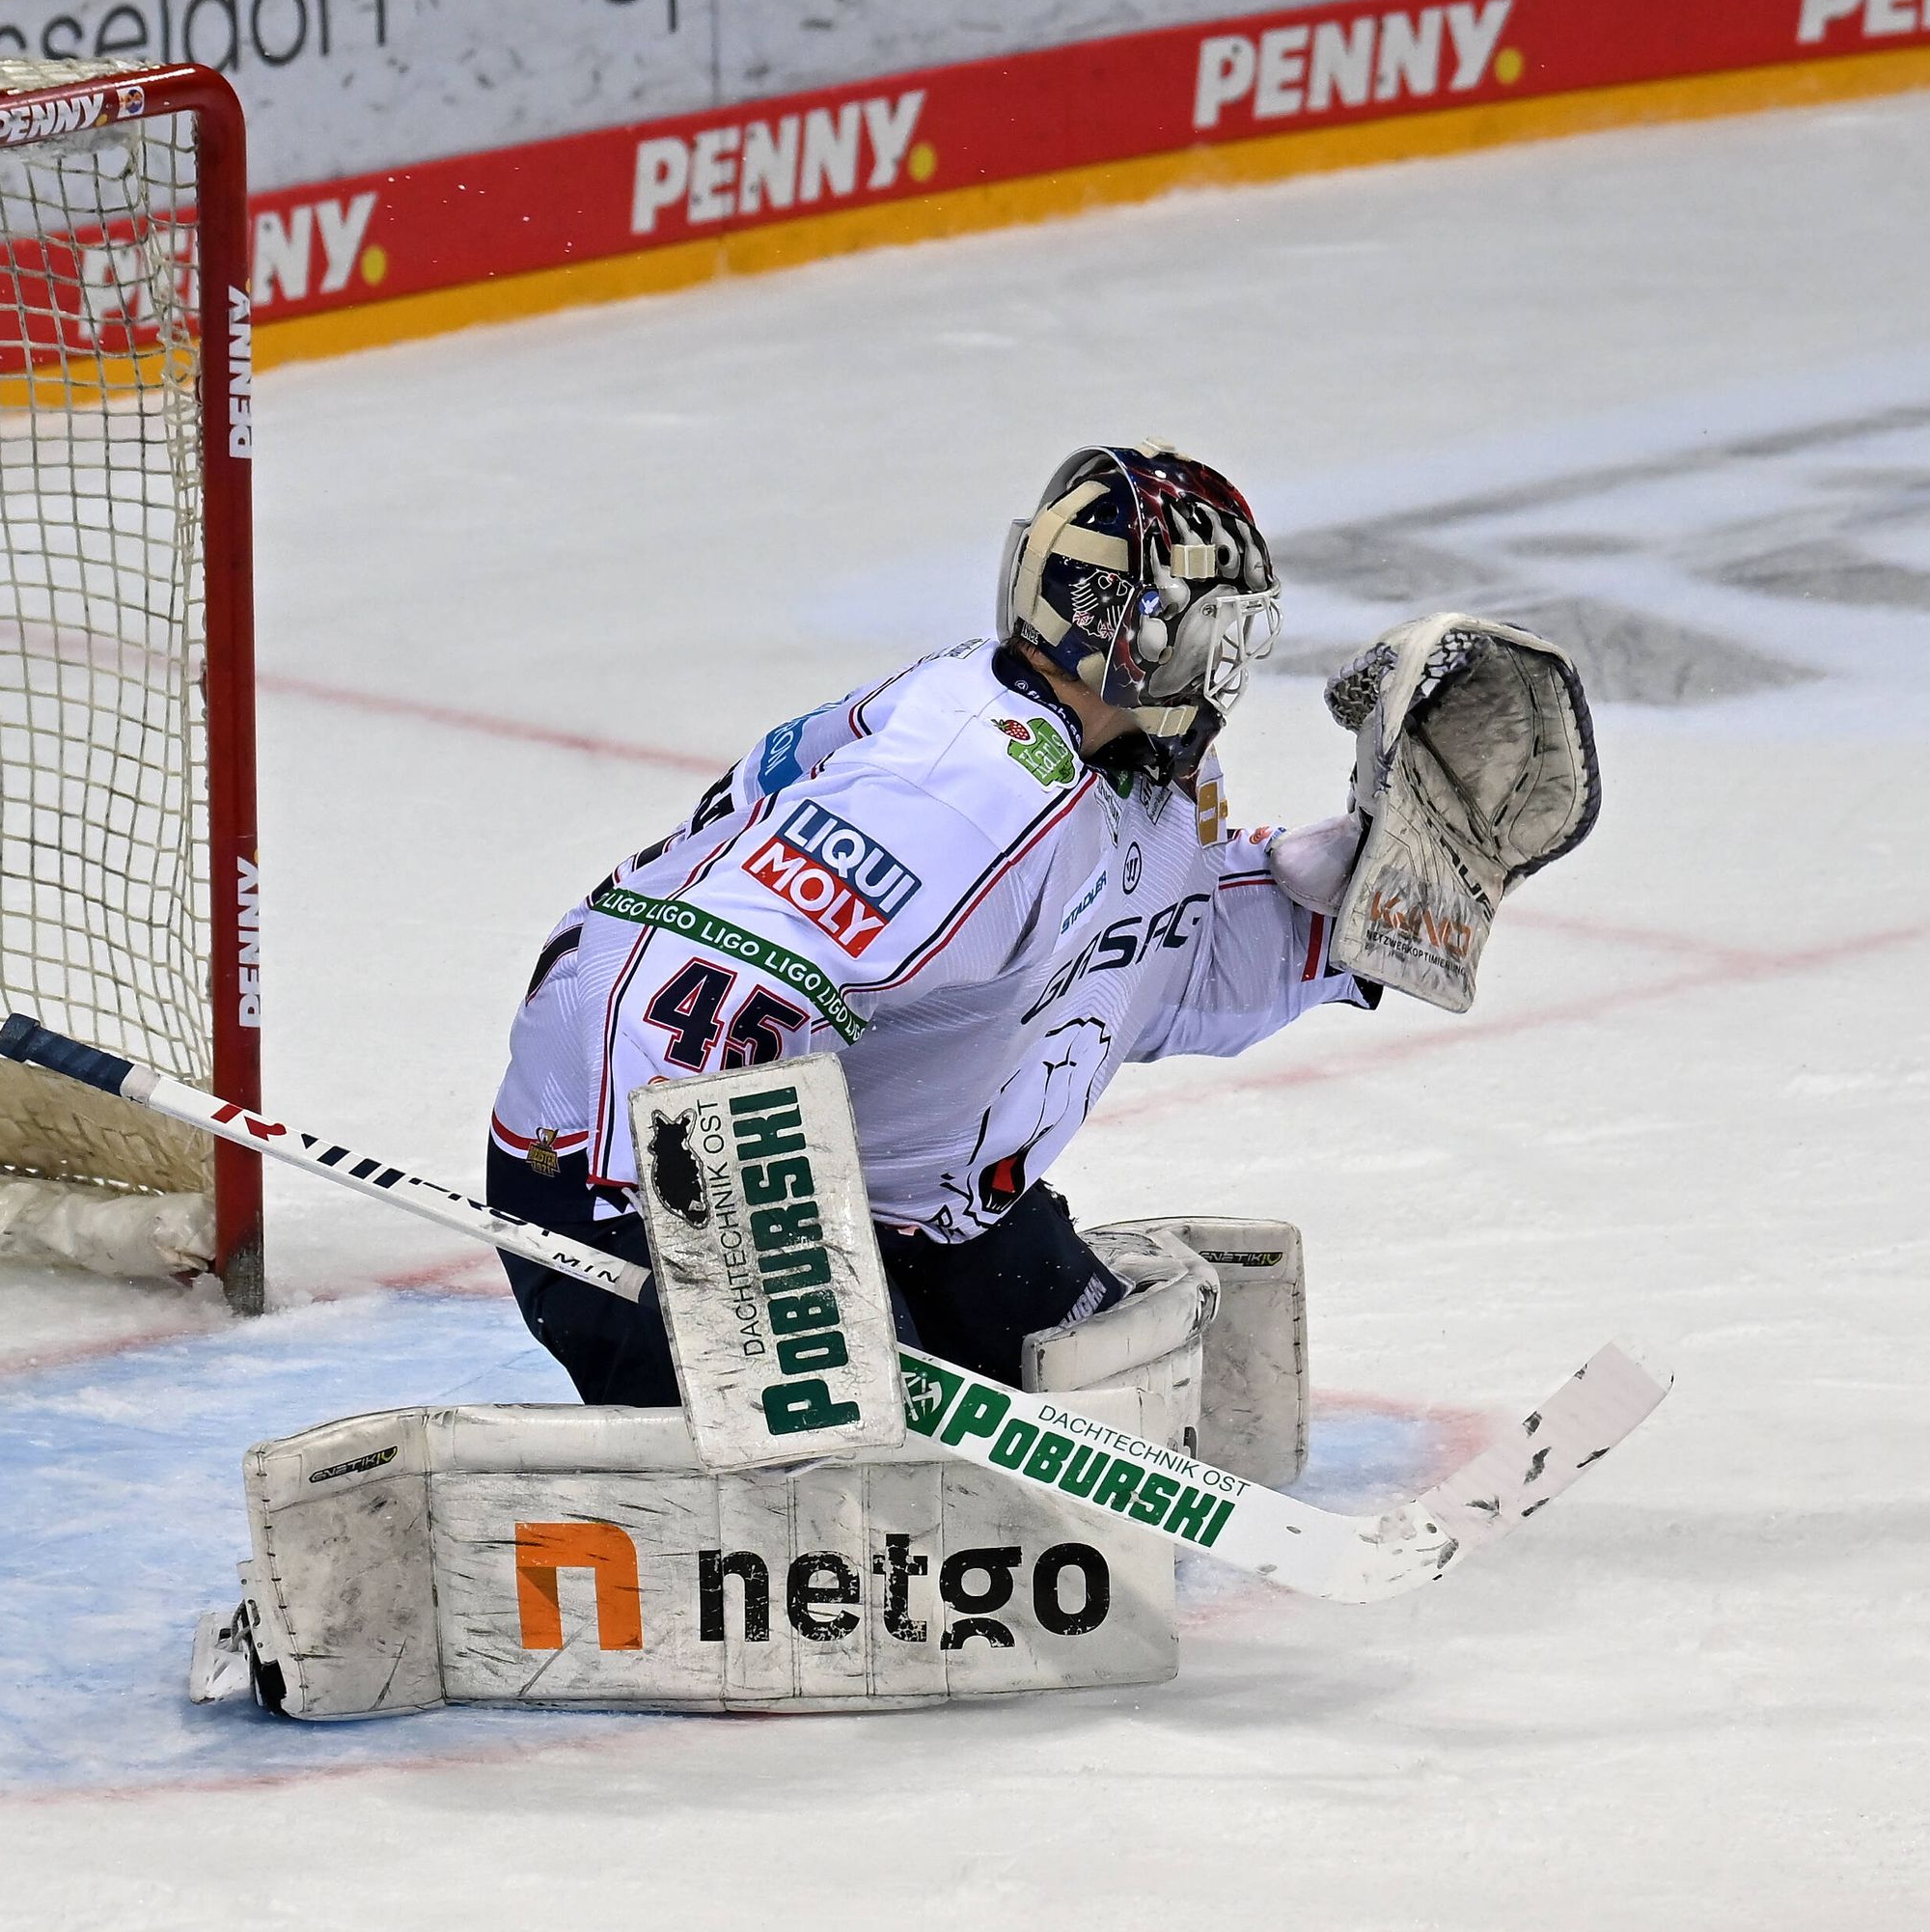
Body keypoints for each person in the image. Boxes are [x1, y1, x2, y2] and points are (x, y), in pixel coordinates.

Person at [484, 442, 1378, 1404]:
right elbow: (680, 977)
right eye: (1211, 628)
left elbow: (1160, 965)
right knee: (865, 1479)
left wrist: (1352, 913)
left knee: (1066, 1416)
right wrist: (751, 1279)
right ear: (1132, 631)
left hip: (891, 1183)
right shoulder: (963, 789)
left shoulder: (1141, 773)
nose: (1228, 663)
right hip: (616, 1177)